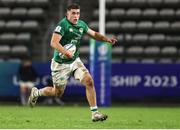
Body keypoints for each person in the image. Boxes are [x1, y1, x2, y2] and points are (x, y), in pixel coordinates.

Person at [28, 3, 117, 122]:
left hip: (75, 61)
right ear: (67, 14)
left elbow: (94, 34)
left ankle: (95, 113)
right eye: (73, 13)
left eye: (78, 13)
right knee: (57, 93)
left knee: (89, 81)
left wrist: (106, 39)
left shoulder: (81, 25)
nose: (76, 16)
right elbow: (53, 43)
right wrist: (65, 52)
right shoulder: (62, 25)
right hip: (60, 64)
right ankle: (36, 92)